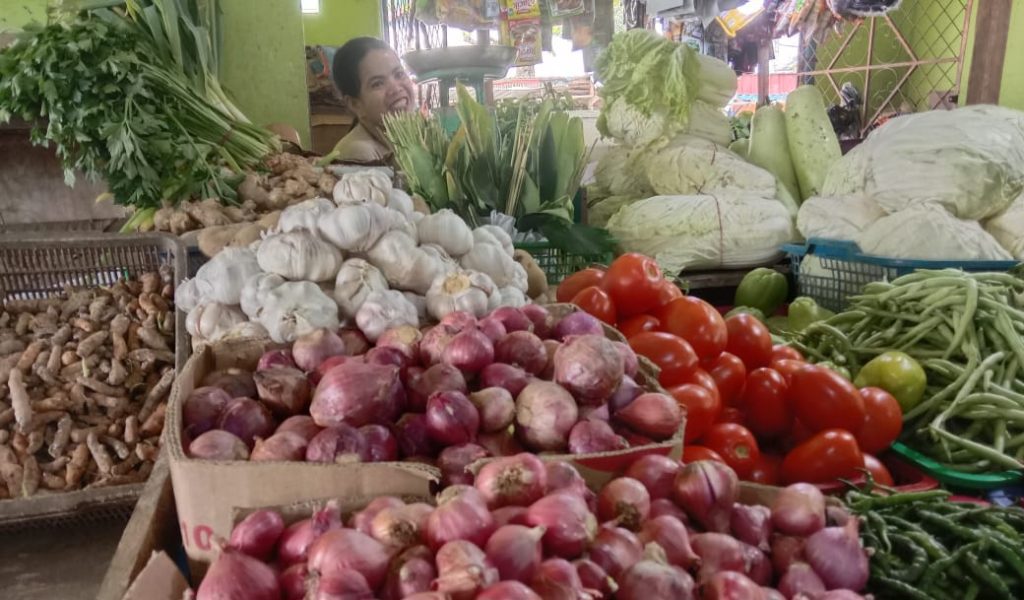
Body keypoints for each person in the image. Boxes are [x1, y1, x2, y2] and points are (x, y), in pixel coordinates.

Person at [330, 37, 416, 164]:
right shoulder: (359, 152)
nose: (396, 89)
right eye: (377, 84)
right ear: (355, 104)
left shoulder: (408, 140)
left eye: (399, 74)